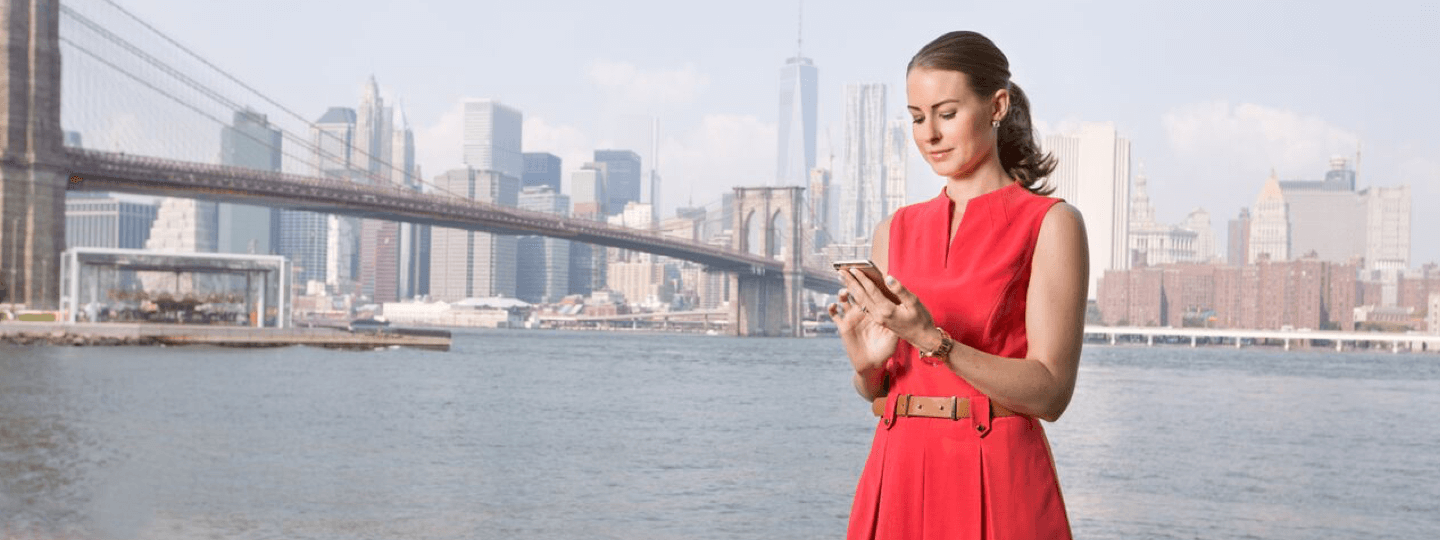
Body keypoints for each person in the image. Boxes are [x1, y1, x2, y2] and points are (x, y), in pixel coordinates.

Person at [828, 30, 1089, 540]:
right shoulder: (894, 231)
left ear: (996, 106)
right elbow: (881, 396)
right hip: (896, 468)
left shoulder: (1051, 223)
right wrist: (867, 368)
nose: (929, 134)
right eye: (916, 117)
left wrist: (933, 341)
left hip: (996, 469)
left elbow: (1052, 394)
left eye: (946, 114)